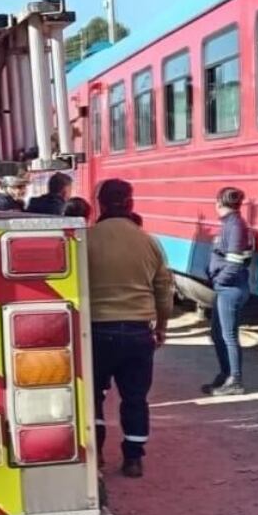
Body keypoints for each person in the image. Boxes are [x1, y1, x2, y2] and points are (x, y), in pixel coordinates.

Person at [85, 178, 173, 477]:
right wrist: (161, 326)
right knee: (135, 398)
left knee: (93, 395)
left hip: (95, 332)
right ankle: (133, 458)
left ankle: (95, 456)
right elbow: (164, 289)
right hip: (138, 332)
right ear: (130, 203)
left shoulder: (87, 239)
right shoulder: (148, 241)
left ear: (101, 203)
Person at [202, 186, 254, 397]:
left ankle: (235, 379)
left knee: (229, 335)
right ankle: (225, 375)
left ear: (218, 203)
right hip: (226, 288)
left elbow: (235, 262)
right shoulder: (232, 224)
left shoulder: (235, 226)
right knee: (217, 333)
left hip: (230, 289)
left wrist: (219, 281)